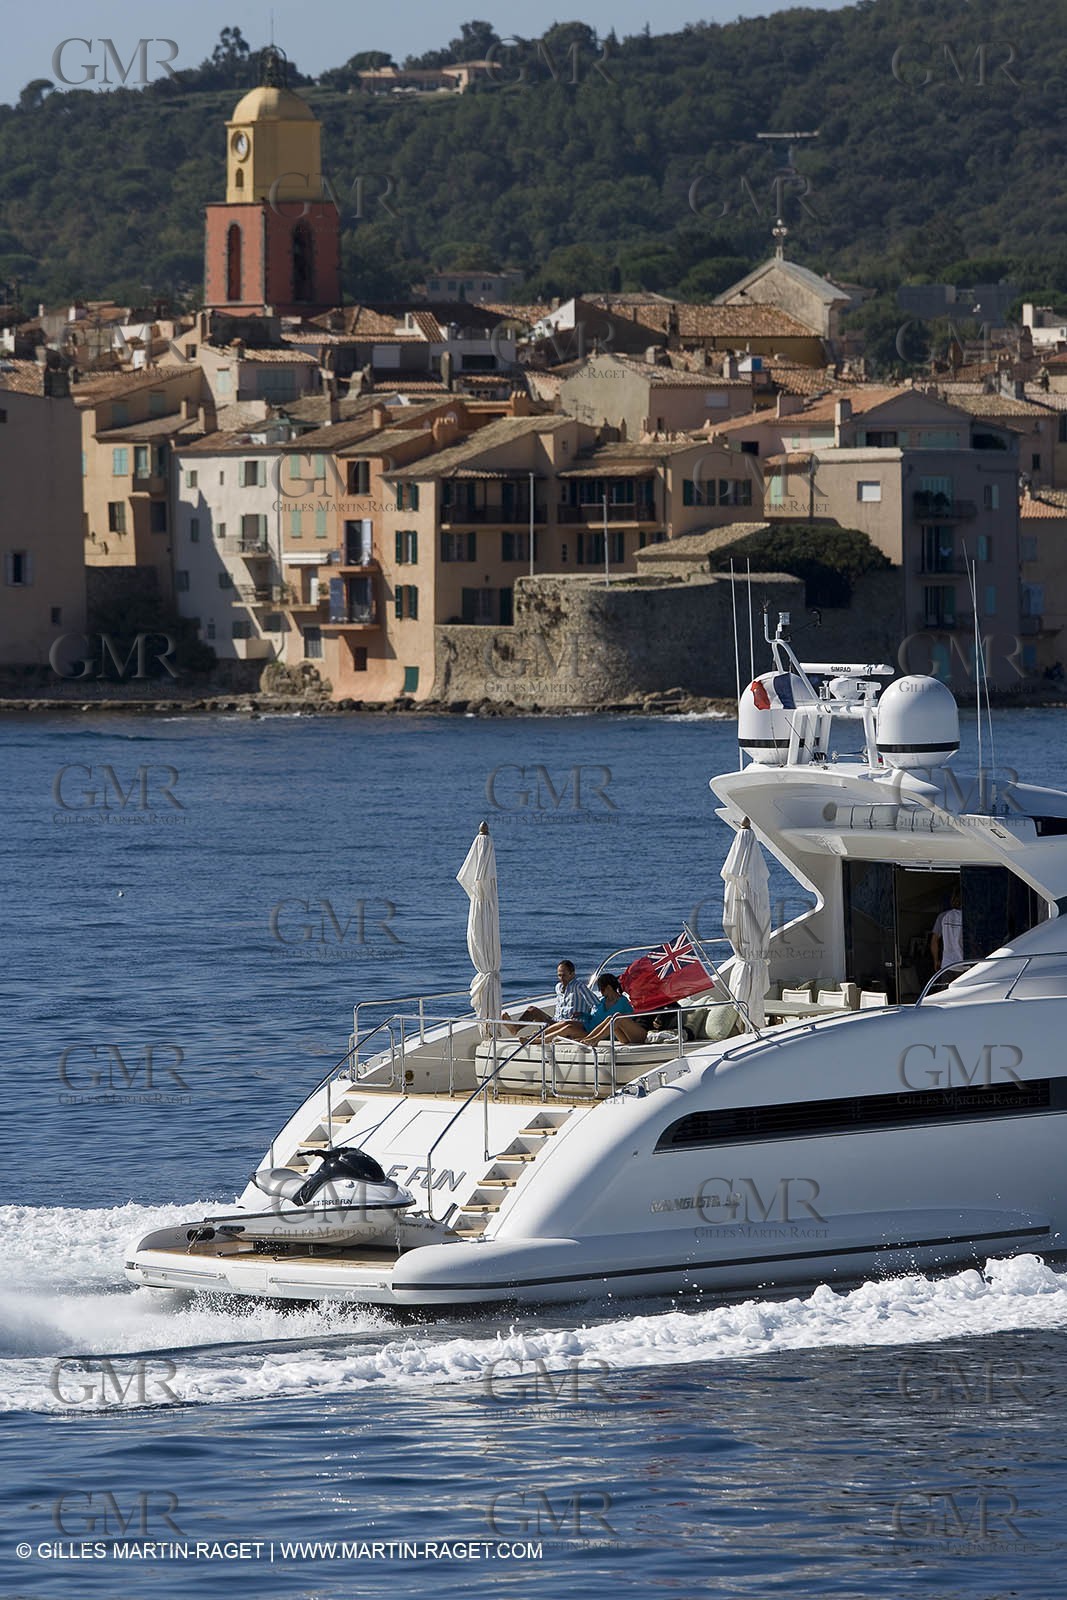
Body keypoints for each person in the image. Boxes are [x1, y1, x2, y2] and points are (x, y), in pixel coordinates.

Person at [501, 960, 598, 1037]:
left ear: (572, 974)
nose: (561, 978)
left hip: (569, 1025)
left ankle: (535, 1037)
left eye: (564, 975)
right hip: (555, 1021)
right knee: (532, 1010)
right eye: (559, 975)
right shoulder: (558, 987)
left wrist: (585, 1016)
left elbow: (596, 1004)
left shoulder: (579, 987)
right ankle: (515, 1028)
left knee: (562, 1023)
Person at [548, 973, 649, 1046]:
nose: (600, 991)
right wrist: (583, 1015)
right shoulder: (602, 1001)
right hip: (594, 1028)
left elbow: (630, 1021)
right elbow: (595, 1017)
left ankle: (592, 1039)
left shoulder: (623, 1002)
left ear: (609, 988)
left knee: (568, 1027)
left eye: (601, 988)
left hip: (608, 1033)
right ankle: (539, 1037)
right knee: (566, 1023)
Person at [930, 889, 964, 971]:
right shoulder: (970, 917)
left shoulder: (943, 916)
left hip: (947, 965)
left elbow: (934, 941)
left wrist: (936, 960)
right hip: (965, 965)